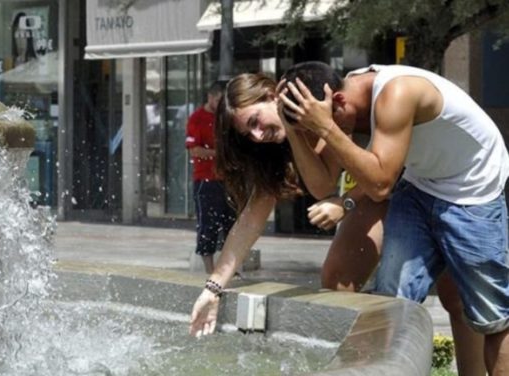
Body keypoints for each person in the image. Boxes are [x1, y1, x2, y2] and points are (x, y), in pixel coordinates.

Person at [188, 71, 487, 376]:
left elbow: (383, 176)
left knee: (456, 294)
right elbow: (255, 217)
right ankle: (361, 369)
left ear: (271, 96)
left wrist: (344, 203)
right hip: (385, 189)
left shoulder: (329, 101)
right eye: (247, 134)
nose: (256, 136)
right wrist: (212, 289)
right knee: (338, 277)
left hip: (431, 180)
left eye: (254, 122)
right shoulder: (280, 139)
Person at [278, 61, 508, 375]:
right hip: (418, 185)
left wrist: (327, 129)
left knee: (492, 317)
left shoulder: (396, 93)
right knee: (392, 304)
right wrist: (293, 130)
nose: (319, 137)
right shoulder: (339, 104)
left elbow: (381, 184)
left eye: (318, 126)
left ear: (339, 103)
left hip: (471, 192)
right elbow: (321, 186)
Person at [185, 82, 237, 274]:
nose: (222, 104)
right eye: (219, 100)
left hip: (229, 179)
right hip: (205, 180)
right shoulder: (197, 119)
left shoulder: (226, 117)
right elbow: (194, 151)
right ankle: (209, 269)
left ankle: (230, 267)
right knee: (208, 224)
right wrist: (220, 154)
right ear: (210, 97)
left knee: (232, 224)